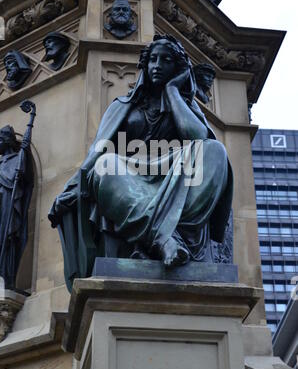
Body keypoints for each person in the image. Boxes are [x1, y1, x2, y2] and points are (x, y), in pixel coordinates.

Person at [49, 34, 233, 285]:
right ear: (145, 66)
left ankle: (168, 235)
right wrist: (72, 185)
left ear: (177, 68)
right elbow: (97, 151)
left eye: (165, 60)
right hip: (128, 176)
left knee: (215, 152)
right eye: (153, 60)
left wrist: (172, 92)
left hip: (174, 172)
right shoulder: (122, 106)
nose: (157, 65)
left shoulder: (185, 106)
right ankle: (163, 239)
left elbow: (198, 138)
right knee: (106, 164)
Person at [0, 126, 33, 289]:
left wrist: (25, 153)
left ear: (7, 141)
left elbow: (25, 180)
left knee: (7, 239)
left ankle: (6, 276)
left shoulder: (17, 159)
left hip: (8, 206)